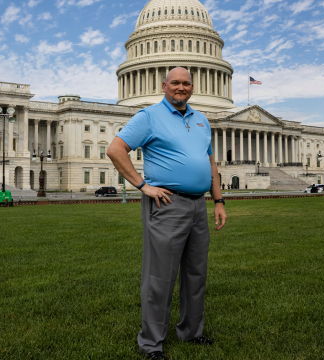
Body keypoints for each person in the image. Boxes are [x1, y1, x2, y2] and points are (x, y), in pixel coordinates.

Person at [107, 67, 226, 360]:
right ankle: (152, 344)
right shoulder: (148, 117)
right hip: (167, 204)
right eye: (175, 82)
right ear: (164, 85)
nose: (181, 87)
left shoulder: (201, 120)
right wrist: (142, 185)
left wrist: (219, 200)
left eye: (186, 83)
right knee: (159, 277)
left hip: (198, 204)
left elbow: (210, 163)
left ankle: (191, 332)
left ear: (192, 86)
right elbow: (115, 149)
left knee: (196, 274)